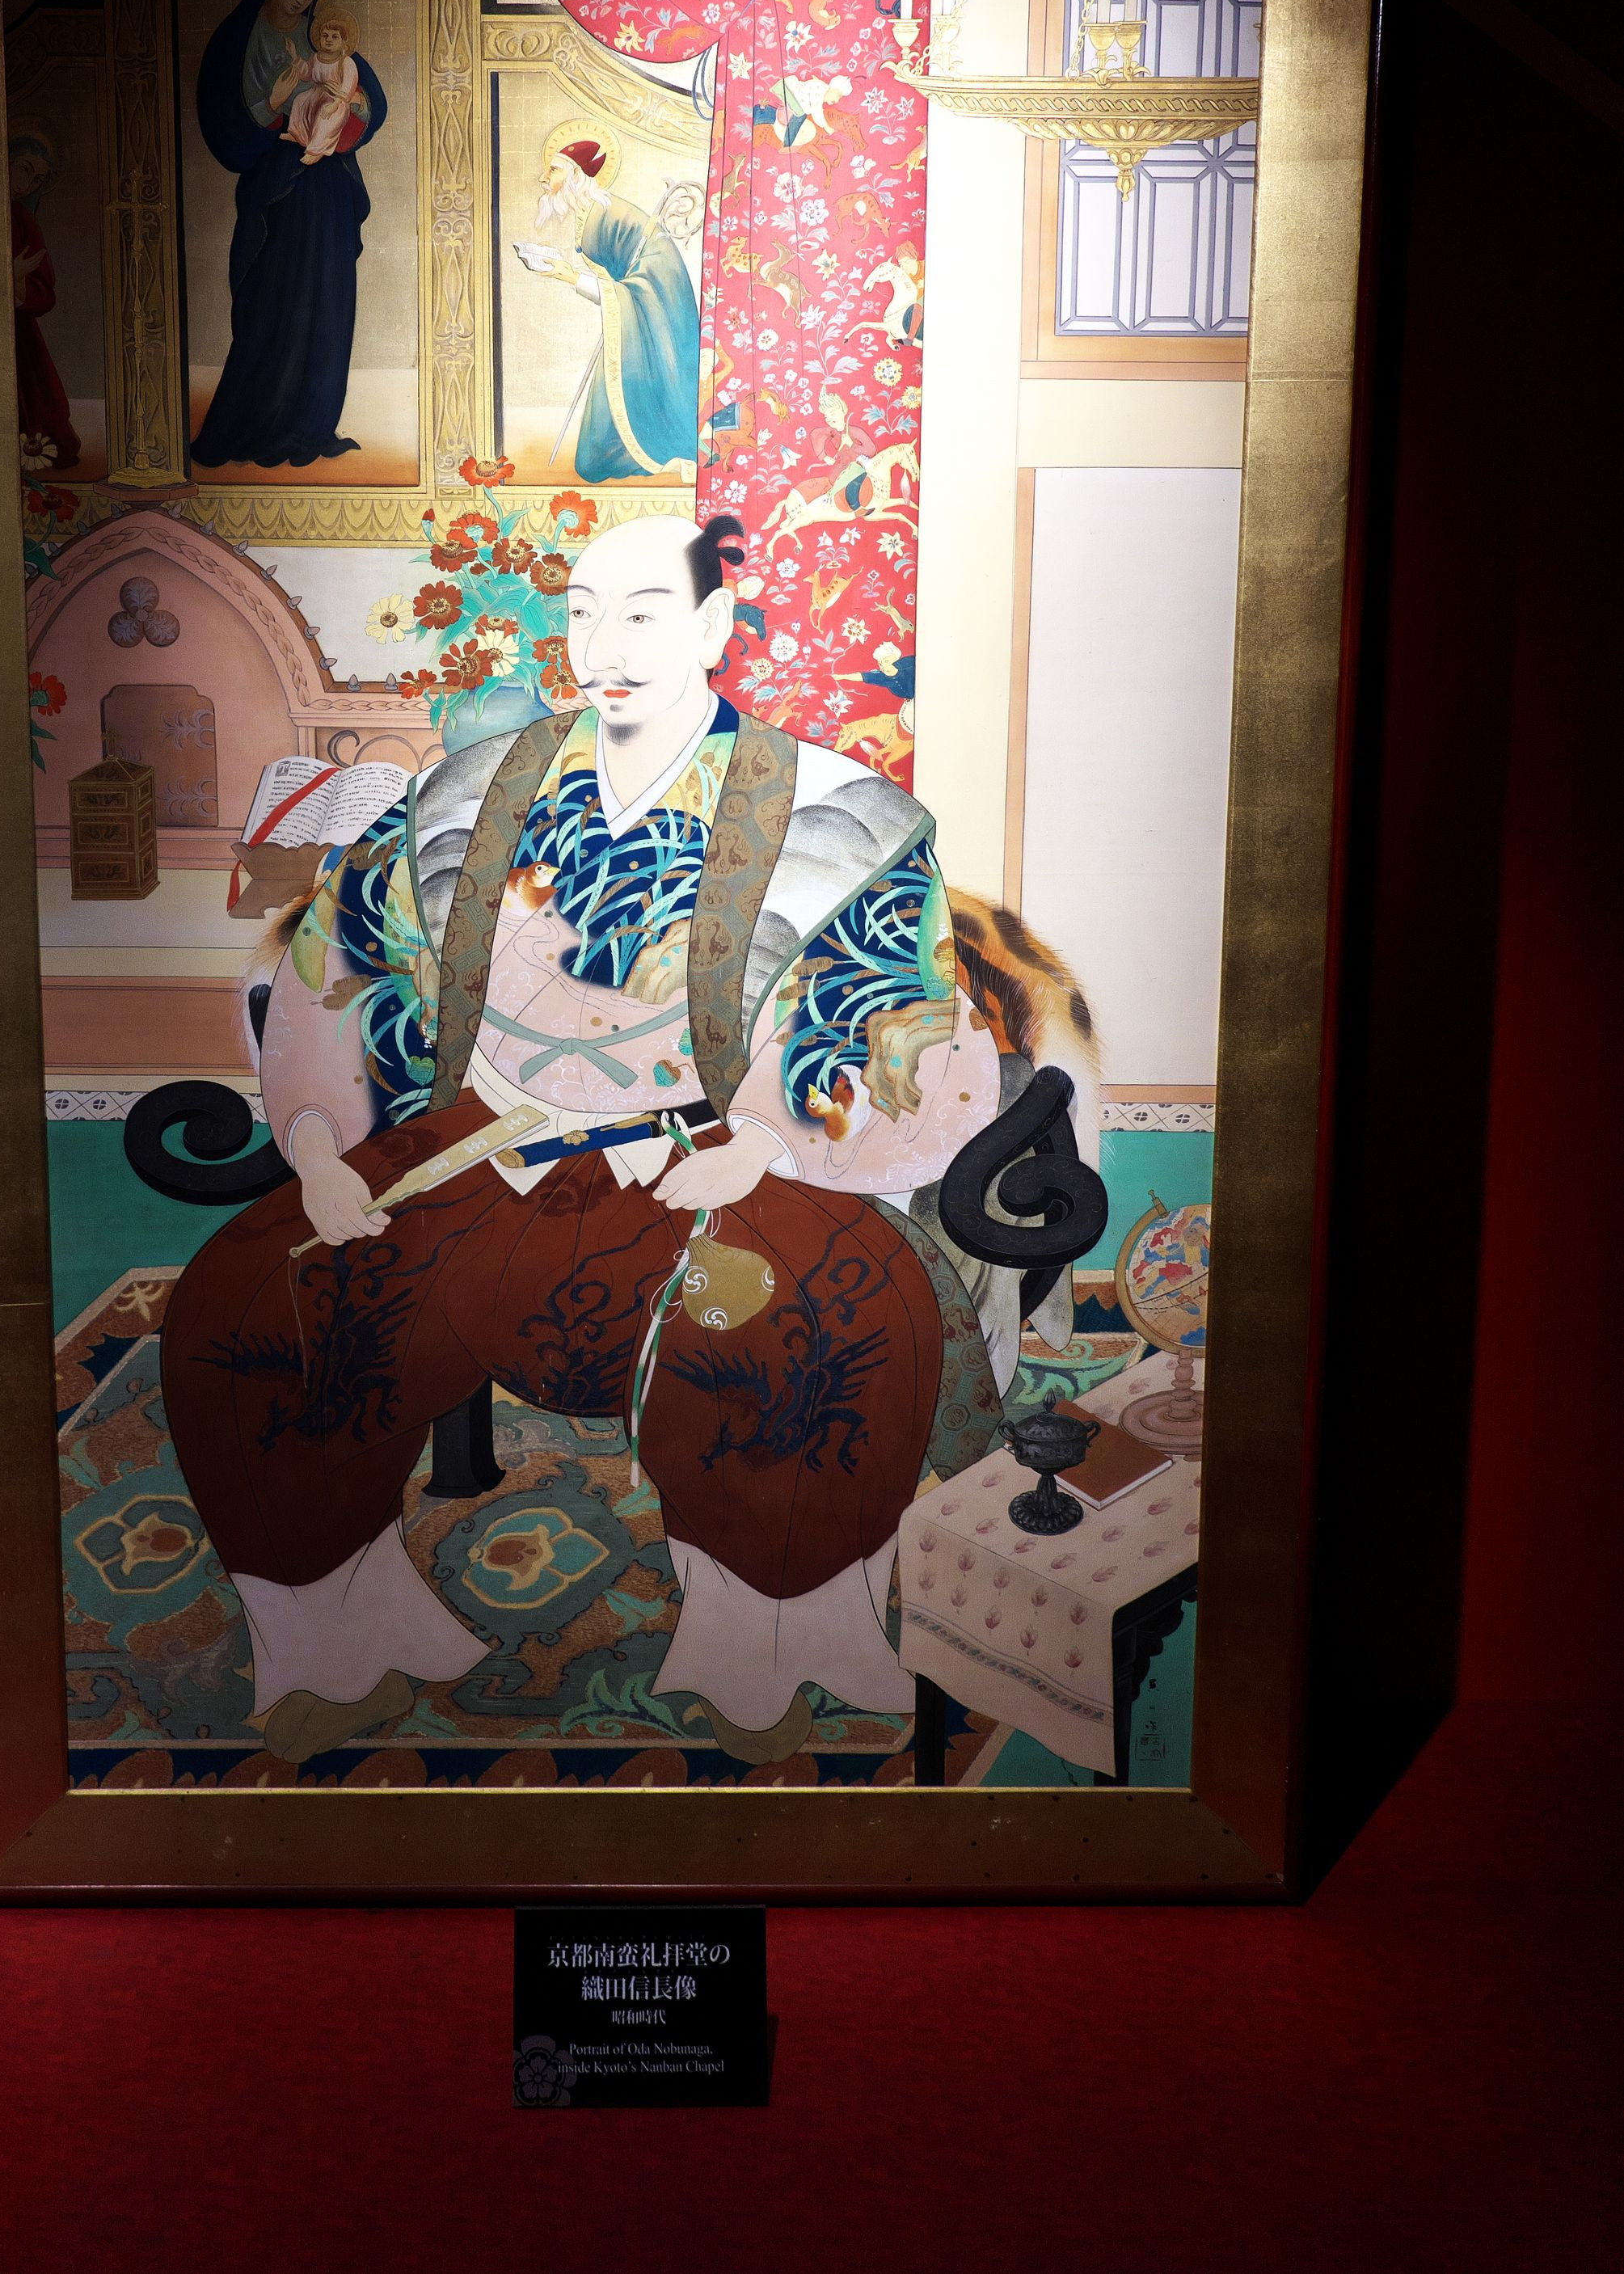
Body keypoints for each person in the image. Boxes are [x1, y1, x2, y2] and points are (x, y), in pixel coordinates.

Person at [160, 509, 1095, 1767]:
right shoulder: (467, 793)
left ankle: (765, 1649)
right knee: (256, 1295)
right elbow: (347, 963)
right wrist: (324, 1148)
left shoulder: (840, 814)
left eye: (643, 613)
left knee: (816, 1322)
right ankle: (341, 1637)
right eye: (585, 613)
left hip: (712, 1151)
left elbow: (886, 1009)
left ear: (711, 625)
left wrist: (760, 1140)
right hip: (484, 1137)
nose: (605, 646)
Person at [190, 0, 387, 471]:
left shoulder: (324, 39)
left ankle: (311, 426)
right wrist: (275, 108)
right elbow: (226, 125)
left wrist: (357, 106)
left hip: (328, 191)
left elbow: (370, 101)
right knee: (270, 303)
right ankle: (247, 427)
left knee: (326, 302)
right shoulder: (239, 39)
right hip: (275, 190)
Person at [514, 129, 700, 480]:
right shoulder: (591, 213)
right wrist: (569, 274)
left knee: (594, 462)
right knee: (592, 460)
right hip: (629, 321)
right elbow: (618, 284)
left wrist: (570, 276)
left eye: (553, 170)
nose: (543, 178)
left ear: (575, 175)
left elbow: (641, 284)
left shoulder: (604, 214)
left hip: (655, 313)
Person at [8, 130, 79, 472]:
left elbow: (45, 291)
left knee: (39, 406)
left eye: (36, 179)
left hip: (16, 332)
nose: (27, 184)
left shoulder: (22, 219)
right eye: (24, 169)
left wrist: (17, 281)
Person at [281, 6, 369, 167]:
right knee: (300, 100)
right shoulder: (316, 58)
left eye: (335, 37)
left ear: (343, 42)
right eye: (325, 36)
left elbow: (348, 84)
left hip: (335, 100)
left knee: (324, 117)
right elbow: (307, 74)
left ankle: (316, 150)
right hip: (316, 93)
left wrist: (335, 104)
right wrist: (294, 55)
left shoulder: (346, 62)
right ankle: (297, 135)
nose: (329, 40)